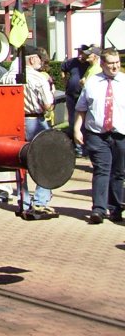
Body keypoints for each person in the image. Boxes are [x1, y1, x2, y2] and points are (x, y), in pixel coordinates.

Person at [73, 48, 125, 225]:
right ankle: (99, 209)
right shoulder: (92, 82)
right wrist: (77, 129)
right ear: (102, 64)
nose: (115, 66)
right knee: (102, 169)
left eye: (117, 62)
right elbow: (81, 108)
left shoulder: (124, 81)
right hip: (97, 133)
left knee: (118, 172)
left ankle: (116, 207)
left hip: (120, 134)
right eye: (111, 63)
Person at [19, 45, 58, 219]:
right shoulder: (38, 78)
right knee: (46, 160)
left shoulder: (6, 77)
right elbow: (48, 104)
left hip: (14, 122)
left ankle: (24, 201)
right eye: (39, 60)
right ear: (33, 59)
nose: (40, 63)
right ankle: (40, 201)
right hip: (35, 120)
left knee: (18, 161)